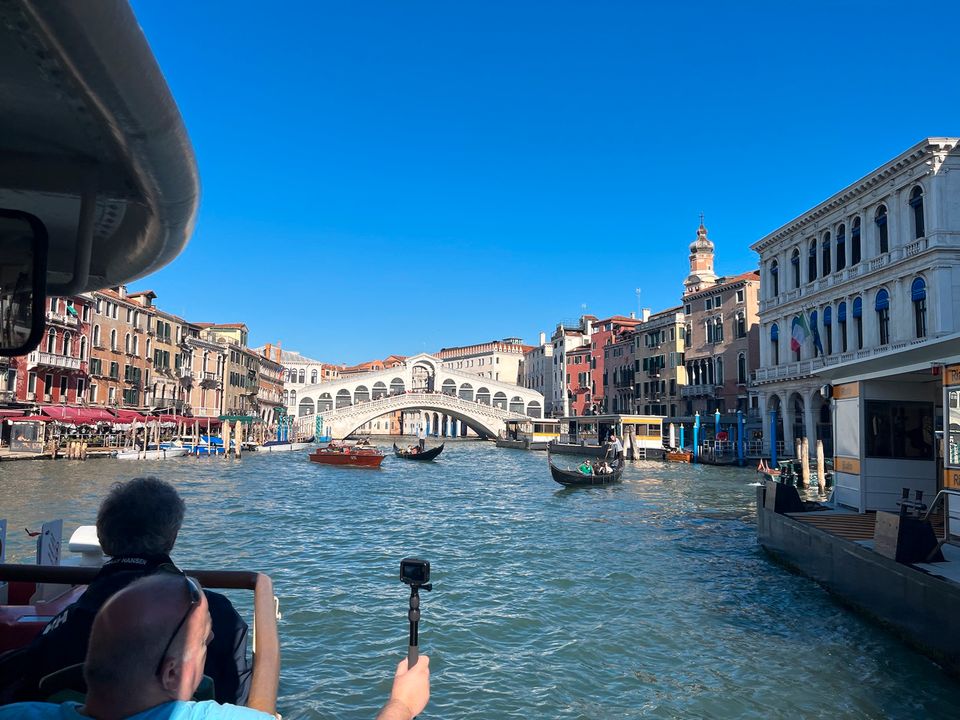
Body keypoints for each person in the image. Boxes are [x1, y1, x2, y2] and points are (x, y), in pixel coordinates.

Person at [0, 574, 430, 720]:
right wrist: (401, 706)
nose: (209, 649)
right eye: (205, 643)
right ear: (172, 673)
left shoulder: (16, 713)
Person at [0, 477, 251, 706]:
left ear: (103, 536)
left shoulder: (68, 623)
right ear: (172, 537)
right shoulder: (219, 614)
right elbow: (238, 697)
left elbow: (24, 682)